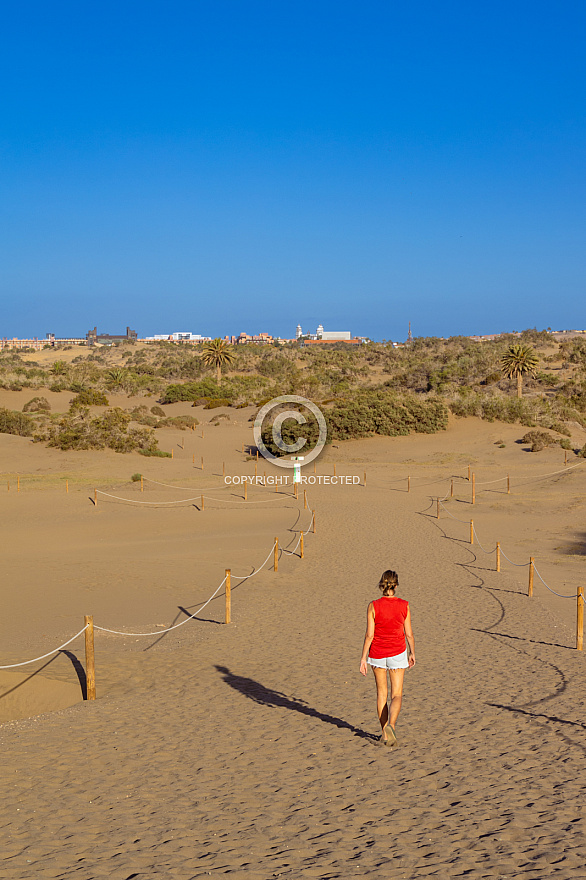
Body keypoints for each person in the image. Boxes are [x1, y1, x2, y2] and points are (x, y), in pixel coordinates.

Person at [359, 569, 415, 746]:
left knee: (381, 694)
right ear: (396, 585)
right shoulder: (404, 605)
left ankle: (385, 733)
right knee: (396, 694)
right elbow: (409, 634)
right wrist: (412, 652)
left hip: (377, 653)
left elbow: (369, 635)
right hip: (397, 652)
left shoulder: (373, 605)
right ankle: (391, 725)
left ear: (381, 585)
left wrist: (363, 658)